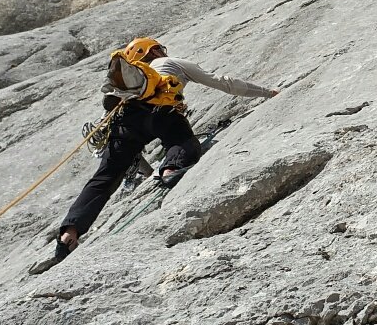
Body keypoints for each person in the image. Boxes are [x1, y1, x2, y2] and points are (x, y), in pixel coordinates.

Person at [47, 37, 275, 262]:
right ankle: (171, 169)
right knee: (183, 143)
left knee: (104, 178)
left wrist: (148, 174)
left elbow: (129, 153)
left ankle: (69, 233)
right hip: (161, 114)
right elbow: (223, 82)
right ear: (154, 51)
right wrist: (268, 93)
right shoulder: (169, 63)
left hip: (125, 122)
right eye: (160, 49)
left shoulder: (127, 88)